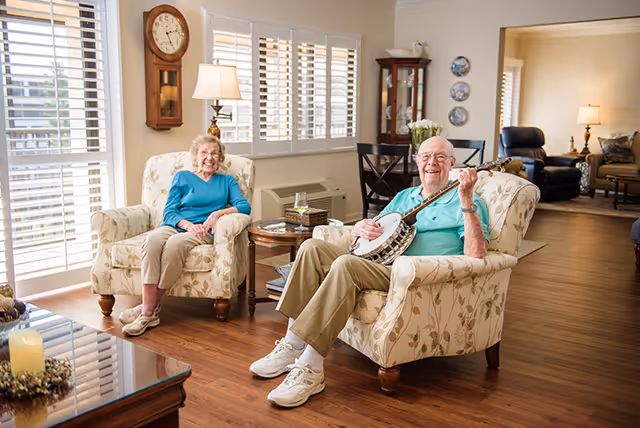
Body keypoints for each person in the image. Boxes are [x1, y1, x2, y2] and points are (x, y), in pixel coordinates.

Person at [249, 136, 490, 408]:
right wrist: (360, 228)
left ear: (452, 163)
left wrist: (467, 200)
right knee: (311, 247)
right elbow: (373, 229)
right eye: (425, 156)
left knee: (345, 265)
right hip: (381, 263)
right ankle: (291, 346)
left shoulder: (466, 201)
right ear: (417, 161)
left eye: (440, 157)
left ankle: (311, 368)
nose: (431, 163)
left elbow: (477, 253)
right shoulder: (404, 197)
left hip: (413, 276)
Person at [120, 135, 251, 337]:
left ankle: (147, 311)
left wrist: (218, 213)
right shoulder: (182, 177)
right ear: (196, 157)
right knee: (152, 240)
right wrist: (188, 225)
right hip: (179, 225)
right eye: (204, 152)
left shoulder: (226, 181)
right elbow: (169, 212)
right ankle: (150, 306)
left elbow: (244, 206)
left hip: (204, 231)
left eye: (215, 153)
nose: (209, 157)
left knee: (175, 245)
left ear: (220, 157)